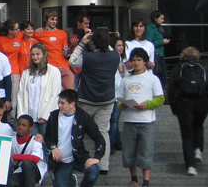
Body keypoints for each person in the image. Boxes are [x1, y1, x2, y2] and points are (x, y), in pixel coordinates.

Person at [69, 29, 121, 175]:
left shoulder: (89, 57)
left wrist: (82, 43)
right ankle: (104, 165)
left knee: (78, 129)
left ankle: (78, 160)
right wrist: (106, 42)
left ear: (94, 42)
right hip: (107, 100)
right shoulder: (115, 55)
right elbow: (109, 49)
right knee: (103, 132)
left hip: (87, 100)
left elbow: (72, 61)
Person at [117, 48, 164, 187]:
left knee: (146, 151)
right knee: (129, 152)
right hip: (129, 120)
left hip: (146, 120)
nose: (136, 63)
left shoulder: (152, 78)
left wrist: (147, 105)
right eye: (134, 60)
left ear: (145, 62)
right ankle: (134, 179)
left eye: (139, 60)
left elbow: (160, 98)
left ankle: (146, 182)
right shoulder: (126, 79)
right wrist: (123, 105)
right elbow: (120, 99)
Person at [44, 89, 105, 187]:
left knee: (93, 172)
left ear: (72, 104)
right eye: (59, 102)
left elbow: (99, 138)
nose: (59, 105)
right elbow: (47, 136)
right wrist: (53, 147)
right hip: (61, 161)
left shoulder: (83, 117)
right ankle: (71, 180)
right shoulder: (54, 116)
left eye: (62, 103)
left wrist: (97, 157)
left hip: (79, 157)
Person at [167, 47, 206, 176]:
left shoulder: (178, 68)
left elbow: (171, 89)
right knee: (198, 126)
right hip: (201, 102)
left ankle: (190, 166)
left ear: (182, 56)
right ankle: (198, 150)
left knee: (187, 134)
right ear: (197, 56)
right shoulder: (202, 67)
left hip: (184, 103)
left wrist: (174, 108)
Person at [17, 43, 62, 137]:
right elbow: (20, 95)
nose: (35, 57)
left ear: (44, 55)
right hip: (30, 117)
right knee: (32, 144)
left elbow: (55, 95)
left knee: (47, 144)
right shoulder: (26, 72)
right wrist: (22, 115)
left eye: (38, 54)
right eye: (33, 54)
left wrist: (46, 115)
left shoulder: (54, 71)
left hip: (45, 117)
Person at [33, 10, 74, 90]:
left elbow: (65, 53)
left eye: (56, 19)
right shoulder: (38, 33)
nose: (54, 22)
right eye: (52, 19)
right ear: (45, 20)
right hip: (48, 67)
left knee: (70, 92)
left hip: (63, 67)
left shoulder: (62, 33)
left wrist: (71, 47)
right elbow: (24, 35)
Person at [7, 115, 47, 187]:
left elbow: (36, 158)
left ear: (30, 128)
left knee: (27, 163)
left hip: (35, 170)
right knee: (12, 183)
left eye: (24, 125)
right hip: (20, 170)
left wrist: (17, 157)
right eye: (19, 124)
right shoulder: (12, 138)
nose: (20, 127)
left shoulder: (35, 140)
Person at [146, 10, 169, 84]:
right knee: (160, 76)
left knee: (163, 76)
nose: (163, 20)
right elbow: (149, 43)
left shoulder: (158, 28)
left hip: (160, 55)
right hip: (155, 56)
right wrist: (161, 42)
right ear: (156, 18)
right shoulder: (150, 28)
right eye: (161, 18)